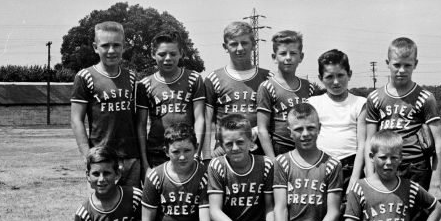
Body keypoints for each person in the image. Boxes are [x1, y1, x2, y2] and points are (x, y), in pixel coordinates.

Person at [364, 37, 441, 221]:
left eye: (407, 65)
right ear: (387, 63)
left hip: (416, 169)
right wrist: (367, 170)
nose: (401, 70)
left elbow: (439, 143)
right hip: (385, 169)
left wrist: (435, 181)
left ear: (416, 65)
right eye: (396, 65)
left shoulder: (425, 98)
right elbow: (369, 139)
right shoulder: (375, 97)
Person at [70, 21, 141, 187]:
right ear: (95, 47)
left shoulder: (131, 77)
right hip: (102, 159)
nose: (111, 51)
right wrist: (87, 155)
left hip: (131, 157)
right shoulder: (85, 76)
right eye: (105, 45)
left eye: (116, 45)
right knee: (103, 208)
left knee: (132, 206)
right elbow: (76, 120)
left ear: (123, 47)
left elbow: (135, 118)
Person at [136, 31, 206, 172]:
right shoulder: (145, 84)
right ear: (153, 54)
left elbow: (200, 118)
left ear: (181, 53)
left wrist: (196, 153)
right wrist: (144, 163)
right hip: (156, 152)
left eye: (173, 54)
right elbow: (141, 125)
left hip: (185, 152)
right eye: (162, 54)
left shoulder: (193, 78)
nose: (168, 59)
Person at [203, 21, 273, 160]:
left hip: (260, 152)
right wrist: (206, 157)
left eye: (244, 43)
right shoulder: (214, 78)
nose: (240, 48)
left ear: (253, 44)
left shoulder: (268, 77)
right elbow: (207, 122)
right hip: (225, 152)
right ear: (225, 47)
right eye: (234, 44)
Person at [308, 49, 367, 193]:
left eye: (340, 75)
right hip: (321, 166)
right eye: (329, 77)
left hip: (350, 166)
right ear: (320, 77)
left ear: (349, 74)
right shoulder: (314, 103)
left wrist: (354, 178)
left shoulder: (360, 103)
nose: (336, 82)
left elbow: (362, 144)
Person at [257, 30, 319, 158]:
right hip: (279, 147)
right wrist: (272, 160)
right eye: (283, 53)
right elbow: (262, 129)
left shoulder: (309, 87)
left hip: (306, 145)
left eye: (293, 53)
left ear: (301, 57)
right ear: (274, 57)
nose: (288, 57)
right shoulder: (267, 87)